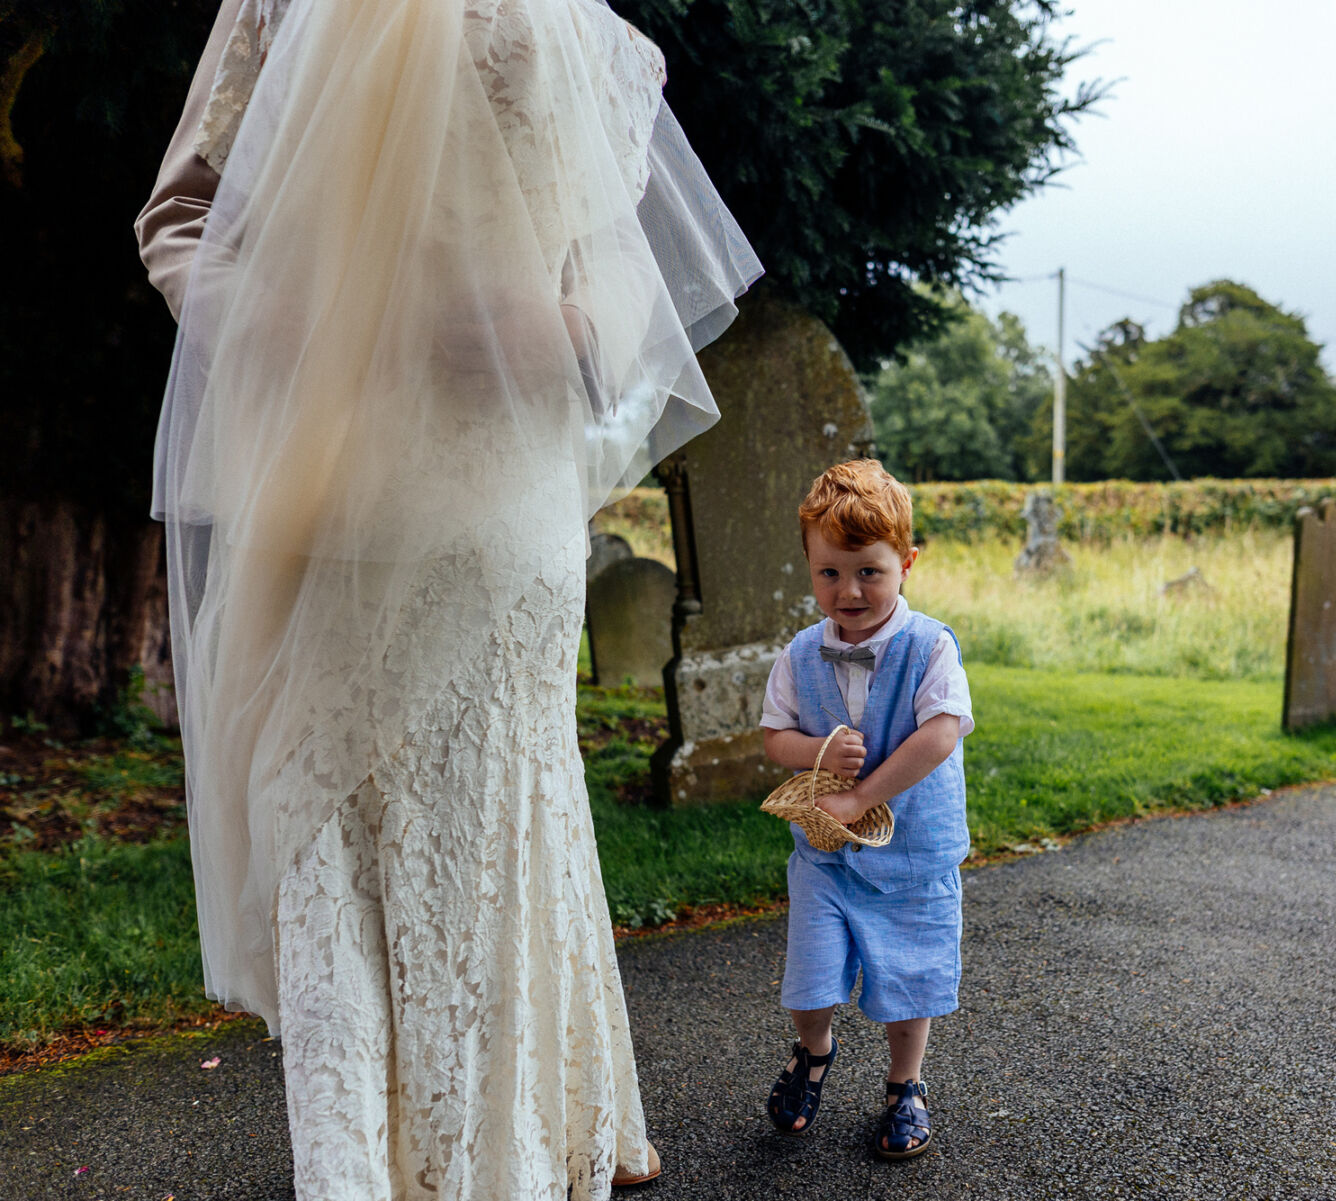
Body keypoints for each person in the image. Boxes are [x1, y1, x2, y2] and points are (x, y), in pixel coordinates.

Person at [135, 0, 760, 1196]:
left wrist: (571, 331)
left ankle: (546, 1128)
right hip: (330, 486)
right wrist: (311, 332)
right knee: (321, 815)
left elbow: (618, 261)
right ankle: (359, 1167)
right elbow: (179, 215)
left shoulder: (582, 24)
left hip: (498, 493)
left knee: (506, 810)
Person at [758, 459, 974, 1160]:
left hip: (912, 851)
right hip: (825, 854)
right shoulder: (798, 653)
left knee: (910, 980)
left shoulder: (930, 646)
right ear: (809, 568)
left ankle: (904, 1084)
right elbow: (774, 738)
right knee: (810, 975)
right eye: (829, 573)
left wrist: (859, 794)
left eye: (868, 572)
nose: (848, 591)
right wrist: (817, 749)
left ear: (906, 563)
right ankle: (814, 1049)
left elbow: (939, 733)